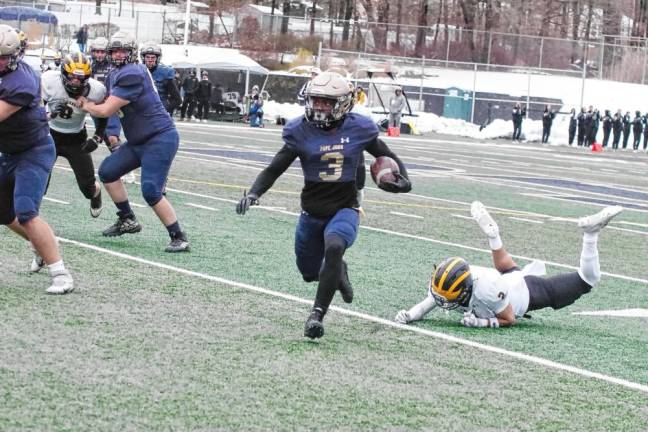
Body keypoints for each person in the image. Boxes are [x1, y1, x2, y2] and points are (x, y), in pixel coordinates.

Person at [235, 72, 412, 339]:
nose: (318, 106)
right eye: (315, 100)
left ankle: (316, 315)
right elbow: (275, 168)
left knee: (335, 246)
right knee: (309, 272)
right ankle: (338, 271)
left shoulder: (359, 128)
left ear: (342, 103)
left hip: (345, 207)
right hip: (311, 212)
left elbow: (388, 156)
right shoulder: (300, 130)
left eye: (325, 102)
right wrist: (255, 193)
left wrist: (404, 182)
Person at [395, 201, 623, 329]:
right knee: (509, 269)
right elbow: (429, 303)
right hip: (506, 279)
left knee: (587, 280)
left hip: (526, 291)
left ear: (464, 288)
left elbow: (509, 318)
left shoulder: (487, 289)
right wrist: (410, 315)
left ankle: (590, 234)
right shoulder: (451, 281)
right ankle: (493, 236)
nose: (444, 301)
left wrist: (481, 323)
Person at [77, 32, 189, 253]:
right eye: (115, 51)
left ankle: (179, 236)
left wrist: (83, 104)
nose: (118, 55)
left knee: (151, 190)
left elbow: (107, 108)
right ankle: (127, 219)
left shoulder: (133, 73)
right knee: (108, 172)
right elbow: (107, 105)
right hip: (139, 140)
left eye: (123, 51)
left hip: (159, 138)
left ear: (131, 53)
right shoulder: (116, 73)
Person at [0, 24, 74, 294]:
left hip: (34, 150)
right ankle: (41, 246)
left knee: (26, 211)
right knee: (4, 213)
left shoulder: (21, 81)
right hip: (9, 150)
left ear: (15, 55)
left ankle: (61, 273)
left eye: (2, 58)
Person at [41, 52, 106, 218]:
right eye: (72, 76)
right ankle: (30, 213)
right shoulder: (49, 80)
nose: (76, 81)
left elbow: (103, 115)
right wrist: (50, 114)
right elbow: (35, 110)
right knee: (39, 177)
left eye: (81, 78)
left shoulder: (96, 91)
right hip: (50, 135)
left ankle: (95, 192)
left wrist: (97, 138)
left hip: (76, 139)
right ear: (63, 72)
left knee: (87, 187)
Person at [140, 42, 182, 117]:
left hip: (159, 114)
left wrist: (164, 109)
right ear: (143, 58)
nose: (150, 60)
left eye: (153, 57)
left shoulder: (165, 72)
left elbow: (177, 99)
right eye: (147, 57)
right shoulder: (137, 71)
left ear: (157, 59)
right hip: (141, 113)